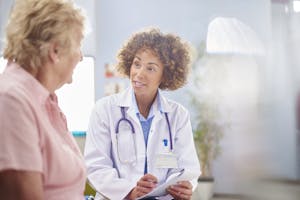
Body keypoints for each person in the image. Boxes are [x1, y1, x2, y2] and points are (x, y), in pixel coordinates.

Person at [84, 28, 200, 200]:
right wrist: (130, 192)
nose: (139, 74)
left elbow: (186, 167)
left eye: (150, 68)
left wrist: (184, 187)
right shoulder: (104, 110)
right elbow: (96, 167)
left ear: (165, 75)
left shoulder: (177, 115)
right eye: (136, 64)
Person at [0, 0, 86, 199]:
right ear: (55, 51)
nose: (81, 57)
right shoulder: (11, 101)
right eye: (79, 45)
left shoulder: (45, 101)